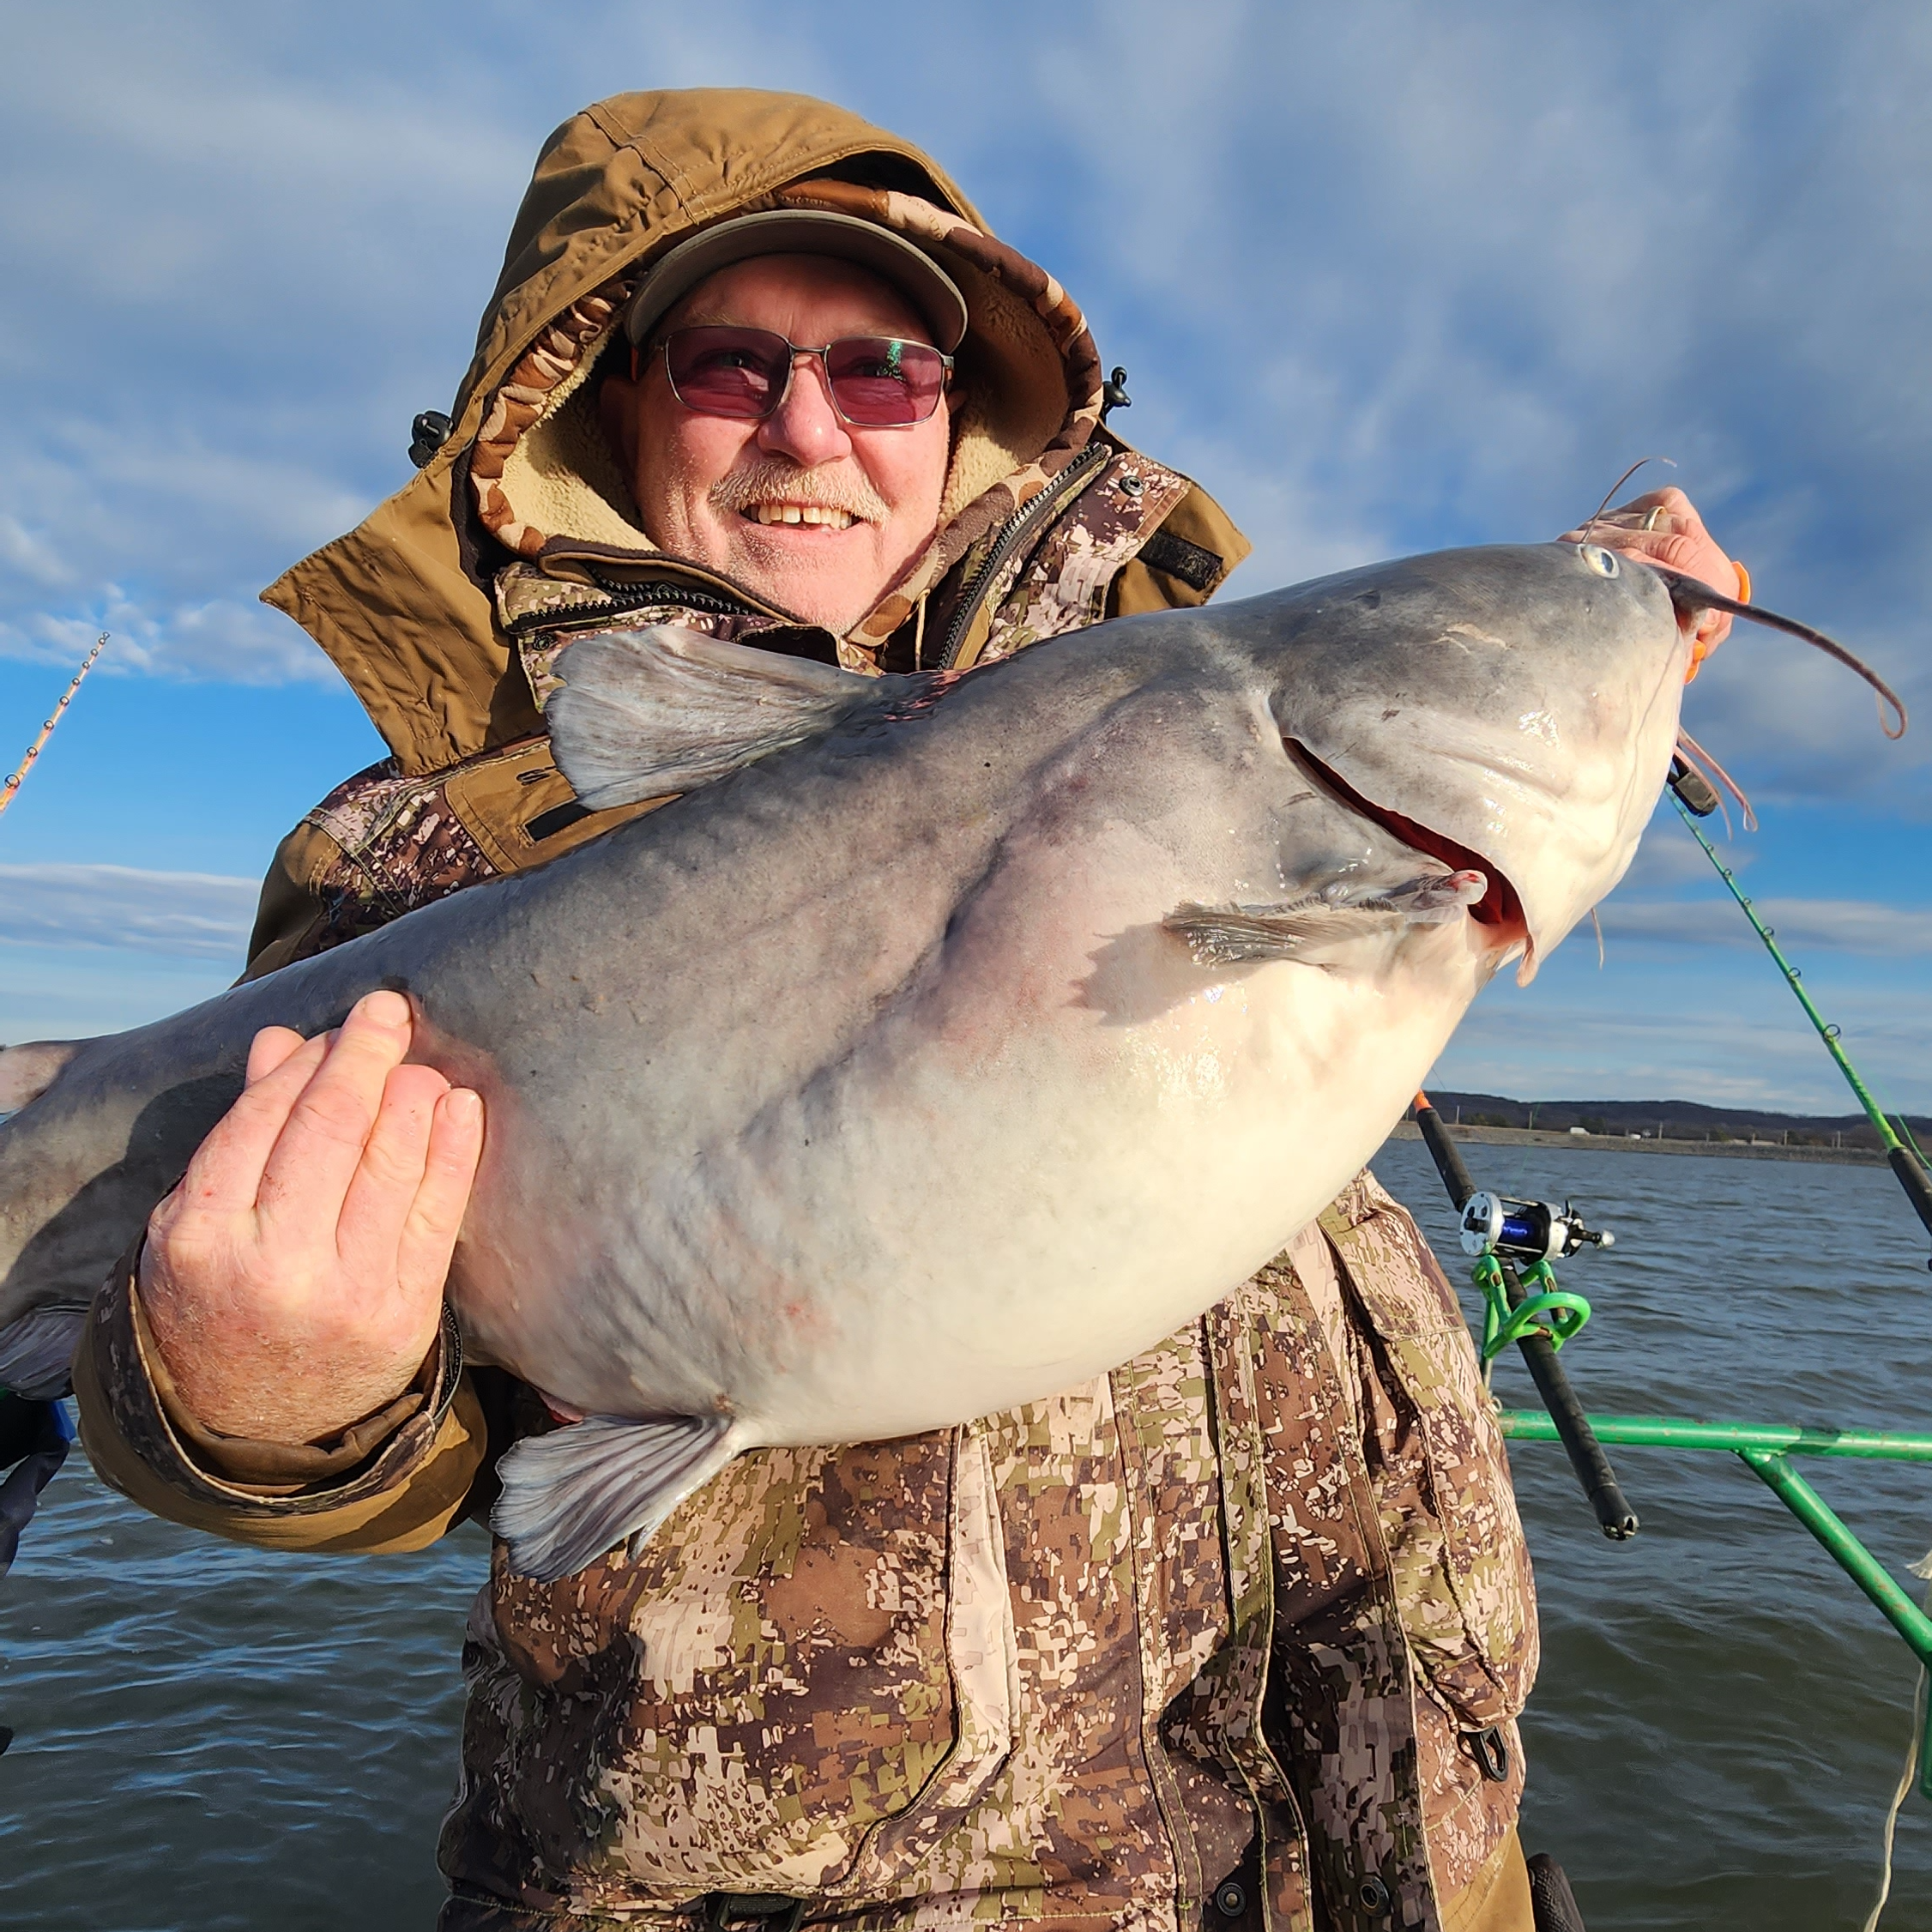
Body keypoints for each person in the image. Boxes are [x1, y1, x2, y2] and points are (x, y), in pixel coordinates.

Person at [74, 90, 1741, 1932]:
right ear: (610, 397)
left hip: (1386, 1841)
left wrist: (1592, 647)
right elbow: (263, 1413)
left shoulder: (1165, 705)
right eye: (731, 365)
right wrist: (254, 1404)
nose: (811, 427)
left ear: (956, 414)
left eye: (881, 368)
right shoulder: (424, 855)